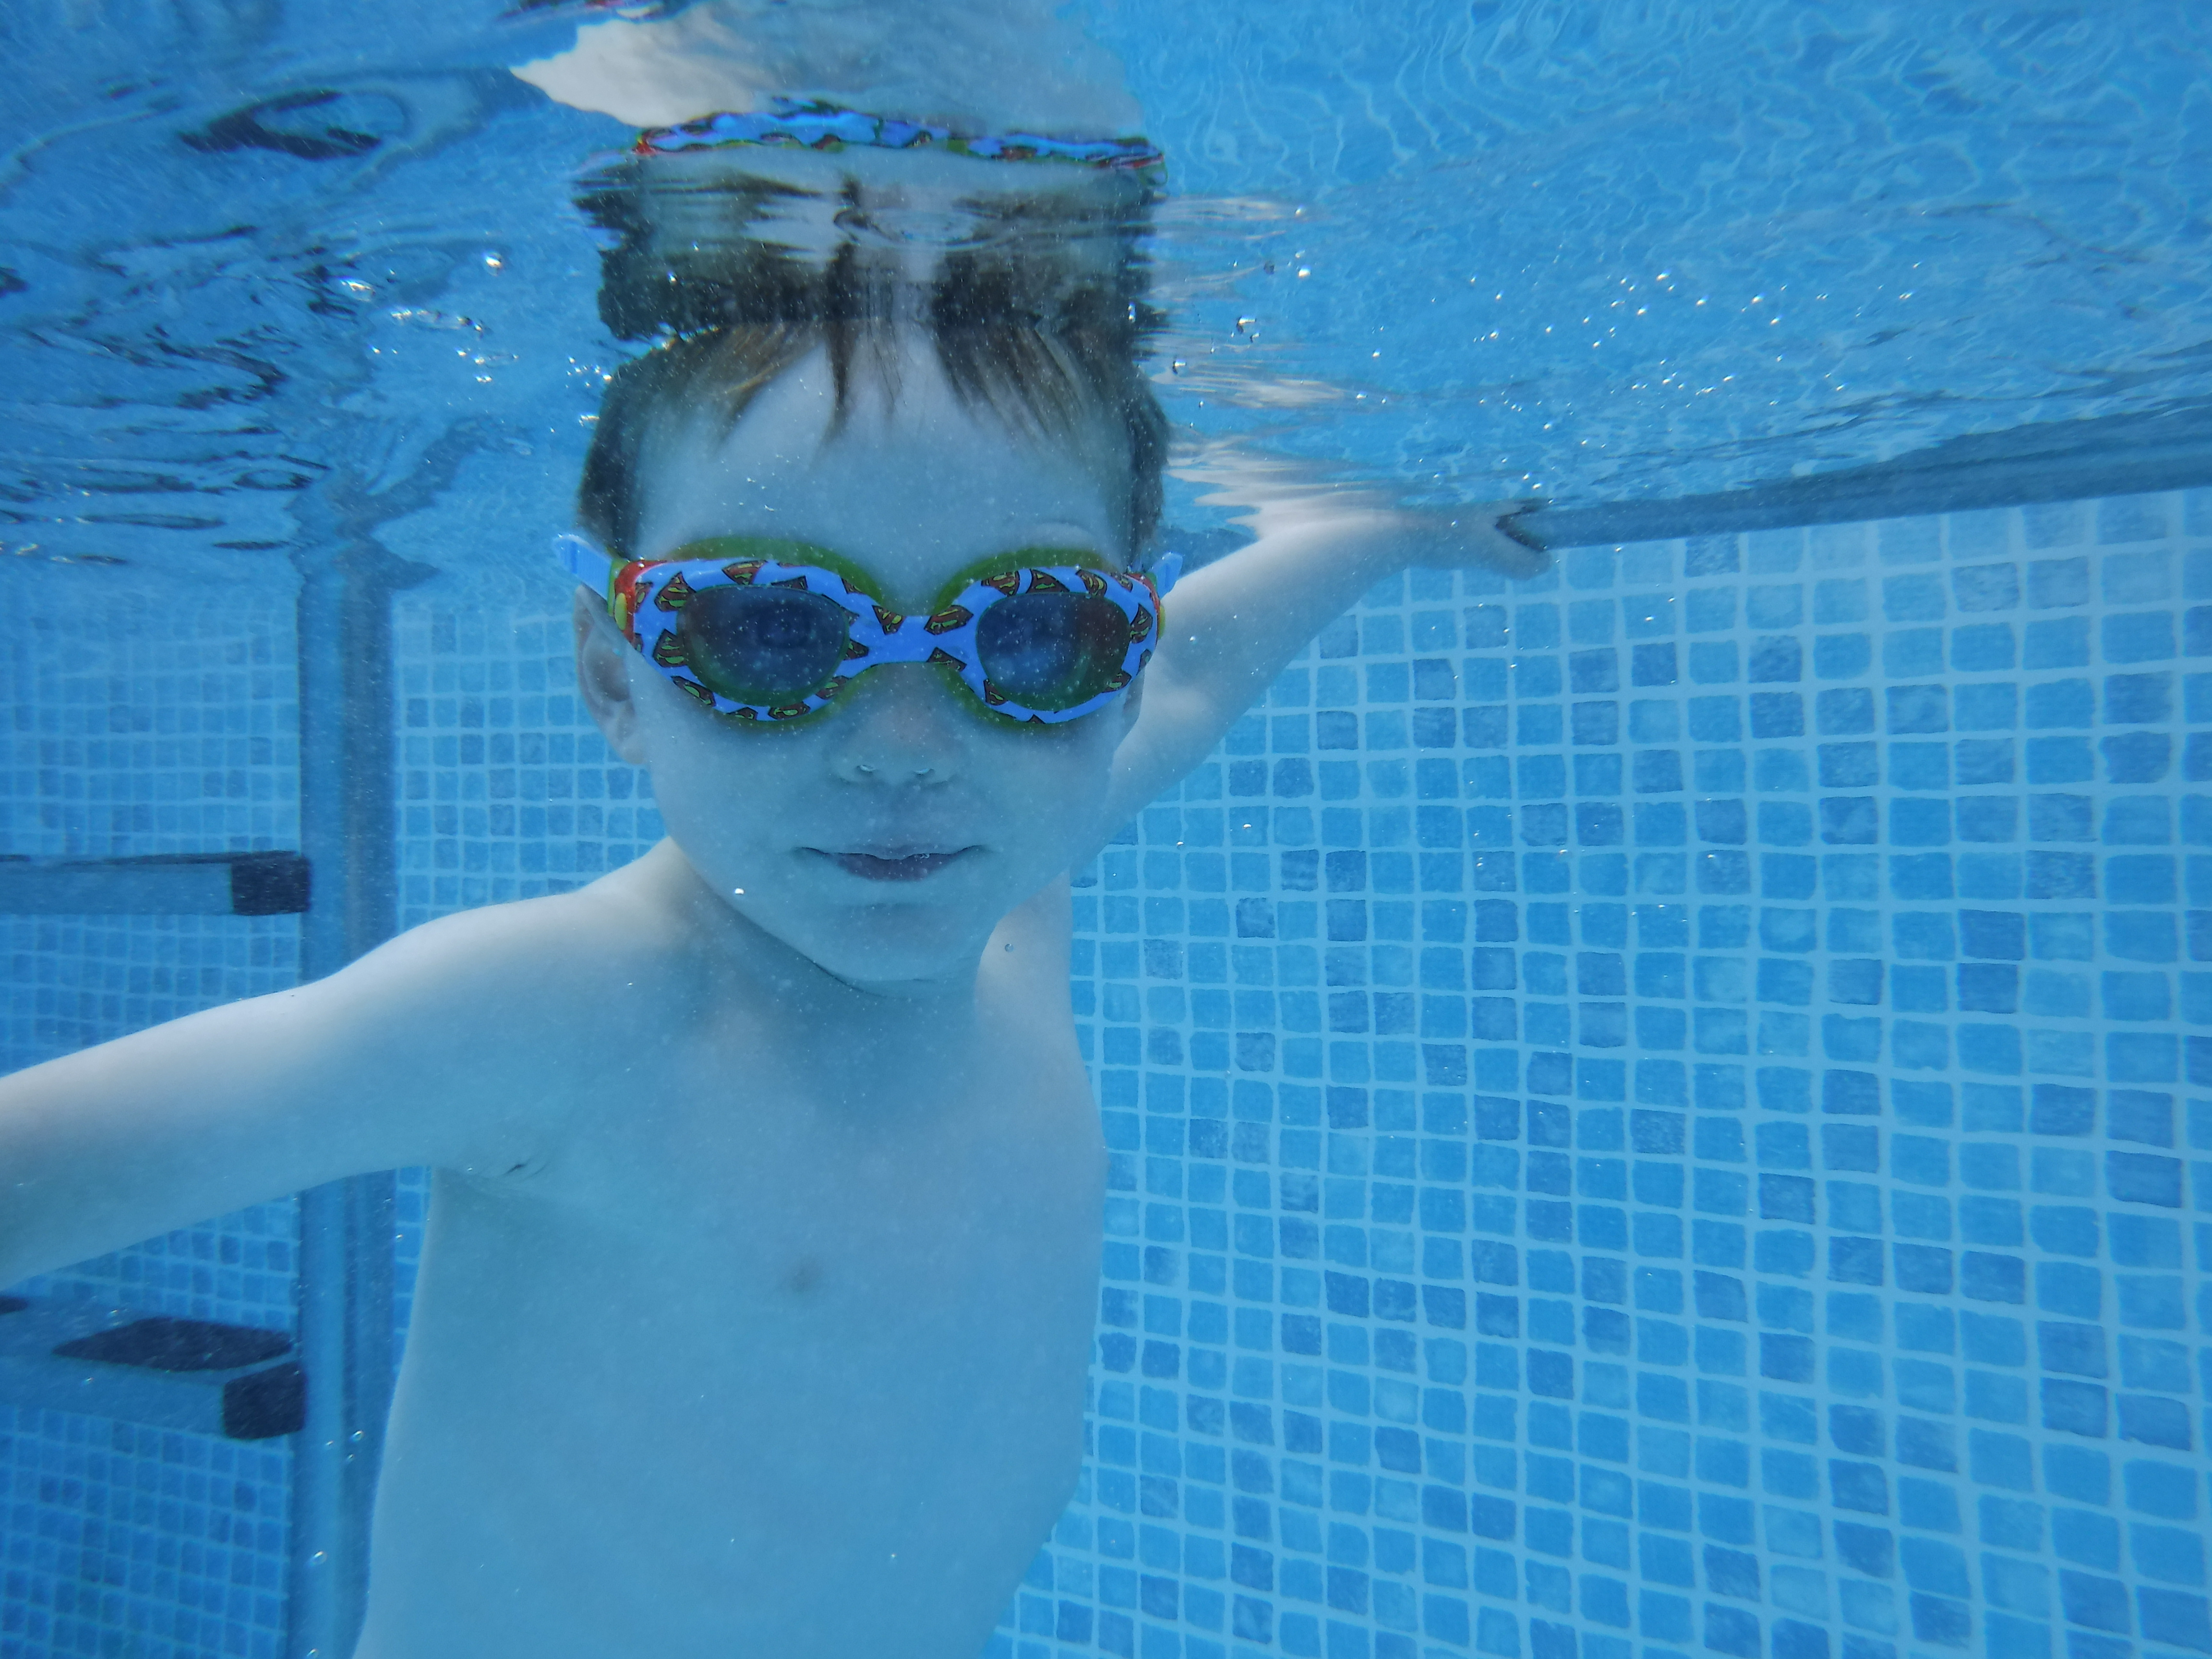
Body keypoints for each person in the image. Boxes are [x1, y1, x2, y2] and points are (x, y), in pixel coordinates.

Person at [0, 9, 1544, 1656]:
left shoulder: (1018, 890)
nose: (902, 752)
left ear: (1109, 666)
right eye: (774, 636)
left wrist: (1384, 526)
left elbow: (1210, 663)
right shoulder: (576, 1012)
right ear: (615, 676)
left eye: (1029, 641)